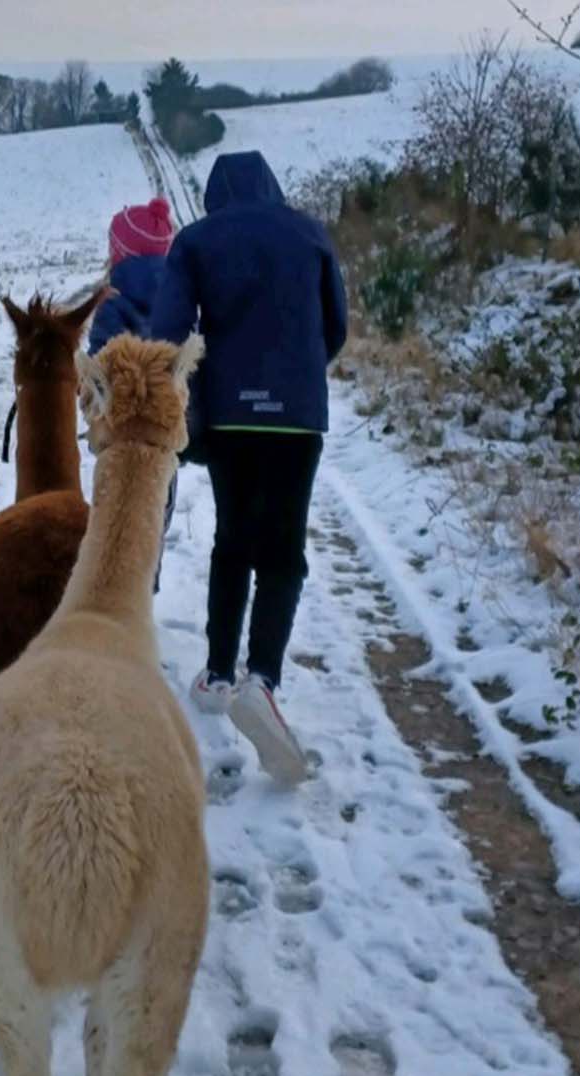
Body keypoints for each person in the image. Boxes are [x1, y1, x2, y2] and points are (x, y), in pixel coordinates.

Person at [149, 150, 347, 785]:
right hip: (297, 417)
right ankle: (262, 679)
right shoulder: (310, 233)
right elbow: (335, 327)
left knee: (233, 541)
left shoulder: (197, 240)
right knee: (284, 550)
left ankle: (216, 672)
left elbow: (170, 333)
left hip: (232, 416)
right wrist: (296, 369)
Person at [89, 197, 180, 592]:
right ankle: (145, 592)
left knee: (115, 523)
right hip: (162, 444)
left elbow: (97, 379)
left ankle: (113, 597)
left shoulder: (112, 307)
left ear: (118, 254)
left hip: (119, 445)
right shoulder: (180, 300)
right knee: (154, 519)